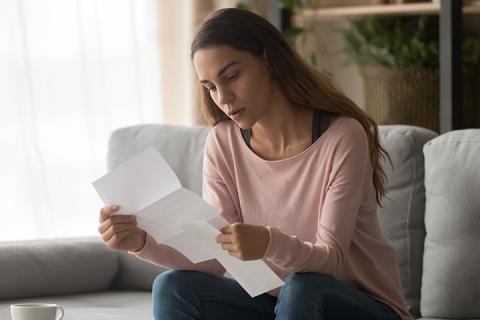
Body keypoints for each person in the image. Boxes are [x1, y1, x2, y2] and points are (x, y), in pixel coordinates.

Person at [97, 8, 413, 320]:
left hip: (364, 307)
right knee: (173, 286)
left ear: (269, 60)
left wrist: (268, 243)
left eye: (232, 76)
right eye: (210, 86)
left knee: (303, 287)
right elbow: (214, 258)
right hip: (284, 305)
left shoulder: (342, 136)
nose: (223, 97)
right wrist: (141, 242)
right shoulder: (223, 142)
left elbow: (331, 260)